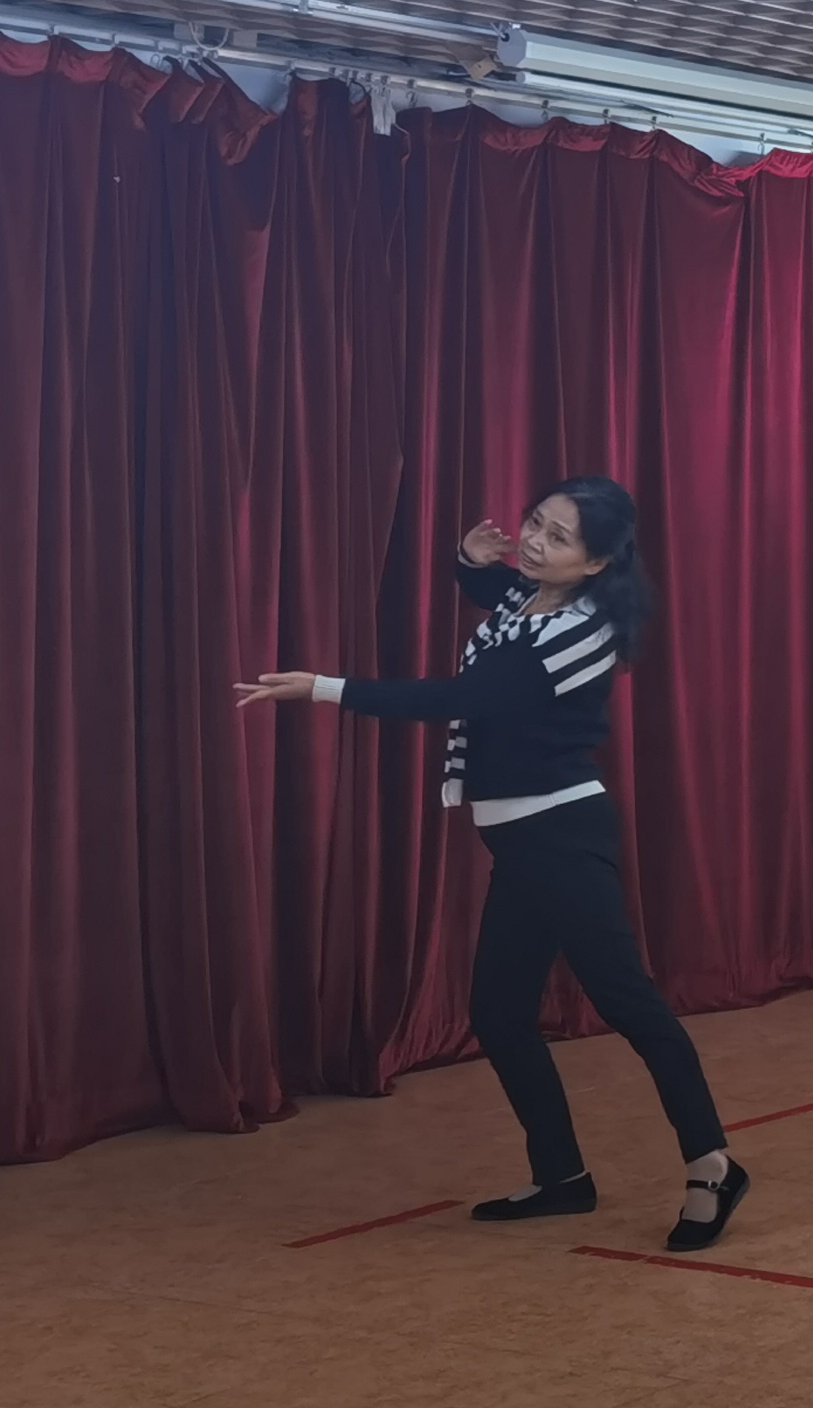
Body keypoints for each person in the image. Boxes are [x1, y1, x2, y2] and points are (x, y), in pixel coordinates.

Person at [236, 480, 748, 1249]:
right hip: (520, 842)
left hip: (562, 836)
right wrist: (468, 560)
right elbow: (493, 591)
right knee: (501, 1015)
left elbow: (460, 697)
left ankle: (713, 1166)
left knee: (630, 1004)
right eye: (535, 522)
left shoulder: (575, 631)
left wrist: (322, 689)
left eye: (558, 537)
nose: (535, 541)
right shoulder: (533, 598)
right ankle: (562, 1177)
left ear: (596, 563)